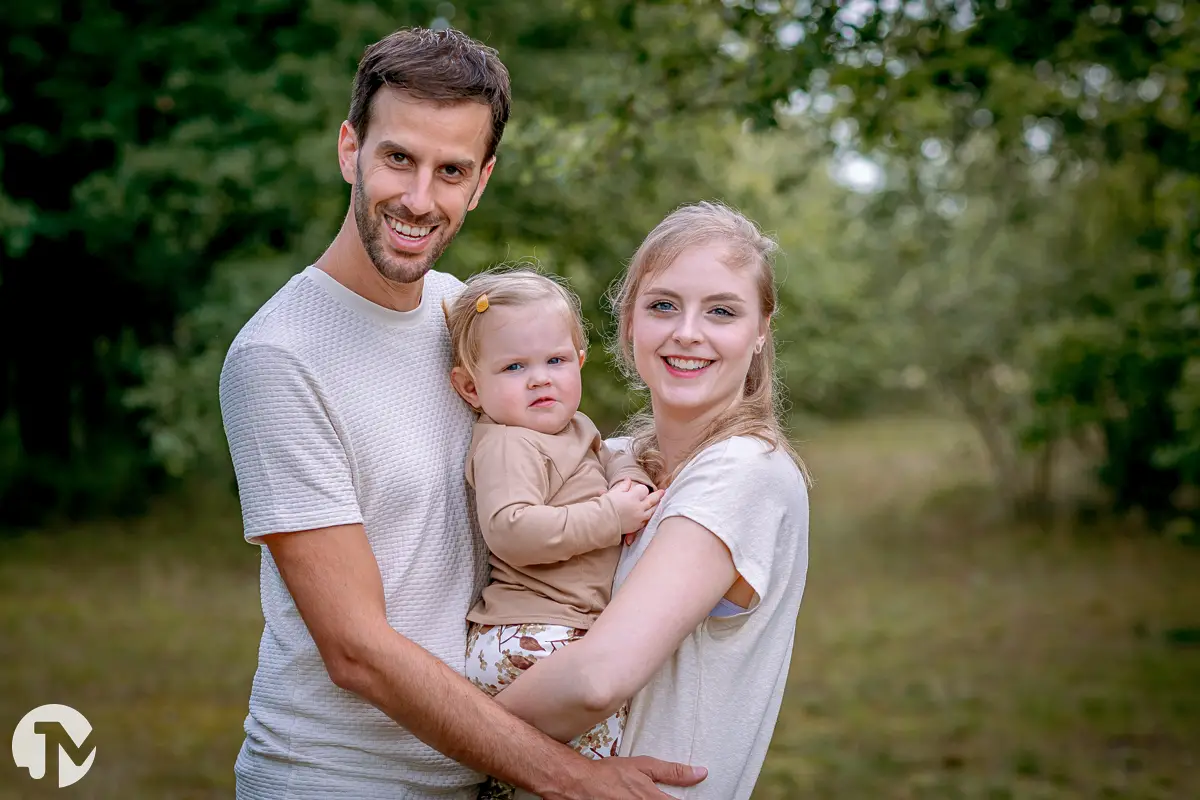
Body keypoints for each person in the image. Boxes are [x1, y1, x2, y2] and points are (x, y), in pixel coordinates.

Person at [217, 27, 704, 800]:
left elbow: (559, 464)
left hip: (478, 768)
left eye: (451, 171)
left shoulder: (466, 314)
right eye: (398, 158)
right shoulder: (279, 358)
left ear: (481, 183)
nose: (419, 199)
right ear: (350, 149)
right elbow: (356, 650)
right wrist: (569, 777)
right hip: (337, 779)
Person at [492, 201, 812, 800]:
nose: (687, 332)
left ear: (762, 328)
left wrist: (443, 741)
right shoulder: (611, 460)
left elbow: (596, 678)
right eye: (663, 305)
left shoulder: (745, 470)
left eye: (721, 311)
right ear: (630, 321)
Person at [442, 269, 664, 796]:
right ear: (471, 387)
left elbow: (617, 457)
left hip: (560, 633)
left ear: (579, 361)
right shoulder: (508, 443)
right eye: (515, 366)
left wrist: (630, 482)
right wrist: (611, 516)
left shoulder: (576, 429)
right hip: (532, 636)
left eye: (555, 361)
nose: (540, 378)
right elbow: (512, 530)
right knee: (583, 775)